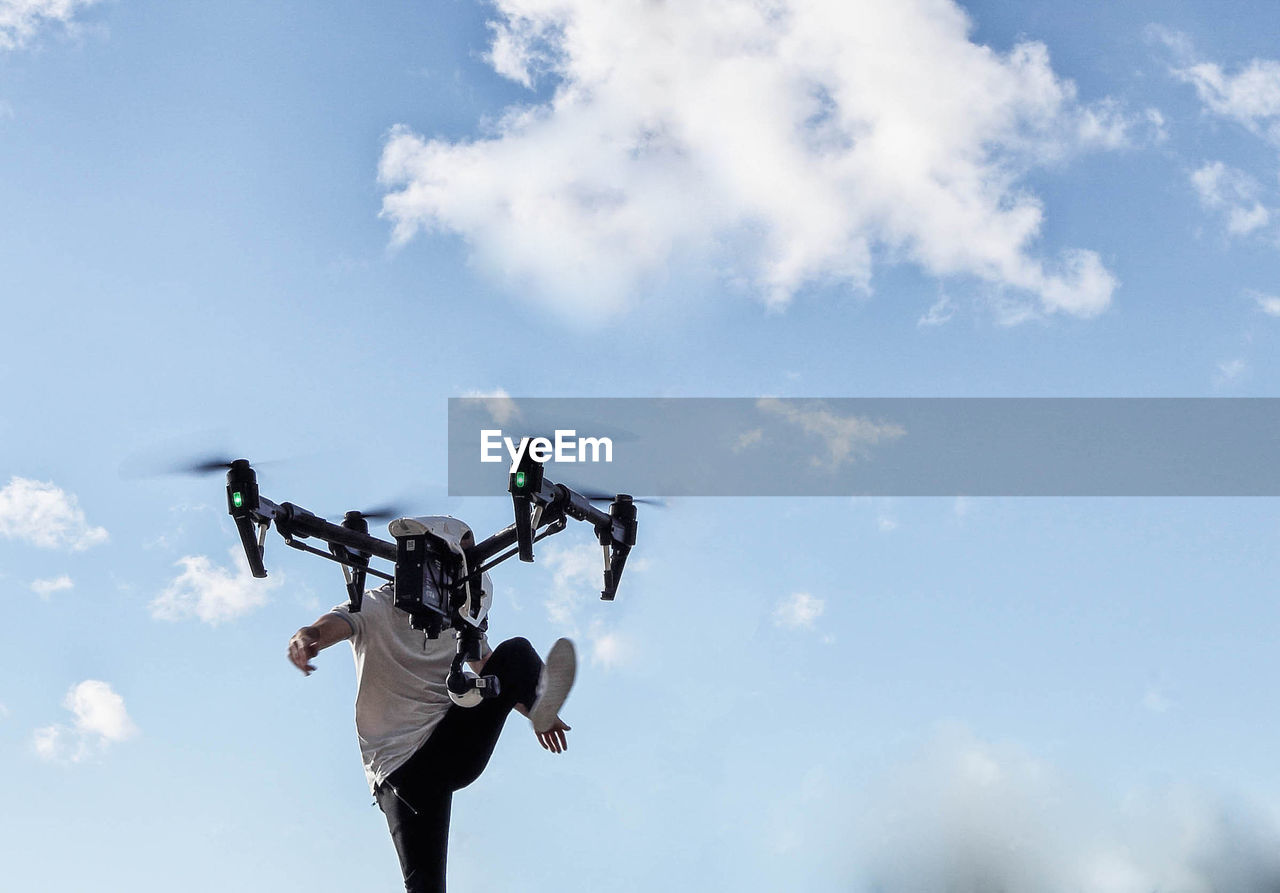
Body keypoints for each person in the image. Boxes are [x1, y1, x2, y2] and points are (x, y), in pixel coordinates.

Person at [286, 515, 576, 893]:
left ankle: (540, 704)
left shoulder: (461, 621)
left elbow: (494, 670)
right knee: (424, 886)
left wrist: (538, 710)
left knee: (516, 652)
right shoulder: (373, 605)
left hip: (449, 744)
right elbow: (332, 624)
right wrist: (306, 637)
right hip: (402, 772)